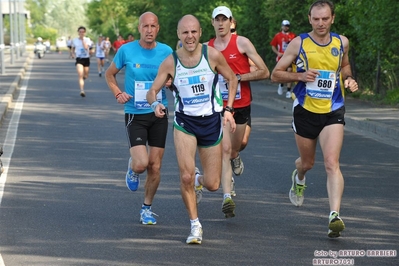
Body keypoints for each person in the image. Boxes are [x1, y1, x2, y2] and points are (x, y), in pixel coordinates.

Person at [146, 14, 238, 244]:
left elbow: (232, 78)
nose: (190, 36)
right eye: (185, 32)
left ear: (199, 33)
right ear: (178, 34)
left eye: (194, 31)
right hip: (185, 123)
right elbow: (152, 90)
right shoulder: (170, 62)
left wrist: (228, 109)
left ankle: (200, 180)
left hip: (210, 122)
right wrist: (155, 103)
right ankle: (195, 226)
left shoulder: (212, 55)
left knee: (213, 185)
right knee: (185, 175)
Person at [270, 0, 358, 238]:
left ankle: (334, 215)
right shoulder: (299, 43)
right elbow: (275, 74)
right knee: (307, 163)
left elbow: (345, 65)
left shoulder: (342, 42)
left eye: (325, 18)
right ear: (310, 19)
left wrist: (348, 79)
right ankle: (299, 178)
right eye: (316, 19)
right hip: (306, 110)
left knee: (332, 163)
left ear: (332, 19)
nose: (321, 23)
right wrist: (299, 75)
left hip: (333, 109)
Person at [105, 12, 173, 226]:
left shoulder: (167, 51)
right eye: (145, 26)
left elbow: (174, 77)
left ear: (158, 28)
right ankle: (133, 167)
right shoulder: (126, 50)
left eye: (153, 26)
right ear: (139, 28)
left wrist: (171, 82)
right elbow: (110, 74)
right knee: (142, 164)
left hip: (159, 113)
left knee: (155, 166)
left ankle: (146, 208)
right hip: (135, 113)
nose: (149, 30)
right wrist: (118, 93)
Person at [207, 6, 269, 217]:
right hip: (220, 107)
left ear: (231, 22)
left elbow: (264, 71)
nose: (221, 23)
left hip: (242, 105)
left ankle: (236, 157)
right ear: (213, 23)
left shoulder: (242, 42)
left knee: (238, 145)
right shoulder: (208, 48)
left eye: (225, 19)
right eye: (218, 20)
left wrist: (238, 78)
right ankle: (227, 197)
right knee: (224, 149)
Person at [270, 20, 296, 98]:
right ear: (282, 26)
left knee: (289, 71)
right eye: (284, 26)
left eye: (287, 26)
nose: (286, 27)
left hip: (290, 57)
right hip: (281, 57)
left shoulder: (293, 36)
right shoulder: (278, 36)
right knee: (282, 72)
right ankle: (281, 84)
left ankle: (288, 90)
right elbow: (273, 46)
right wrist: (278, 53)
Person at [71, 26, 92, 97]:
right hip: (79, 59)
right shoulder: (75, 40)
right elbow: (73, 48)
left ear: (85, 33)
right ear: (78, 32)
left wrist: (83, 40)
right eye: (80, 32)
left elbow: (86, 48)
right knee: (80, 74)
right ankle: (82, 90)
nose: (81, 33)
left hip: (86, 58)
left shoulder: (87, 40)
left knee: (85, 75)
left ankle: (83, 79)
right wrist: (73, 54)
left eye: (83, 32)